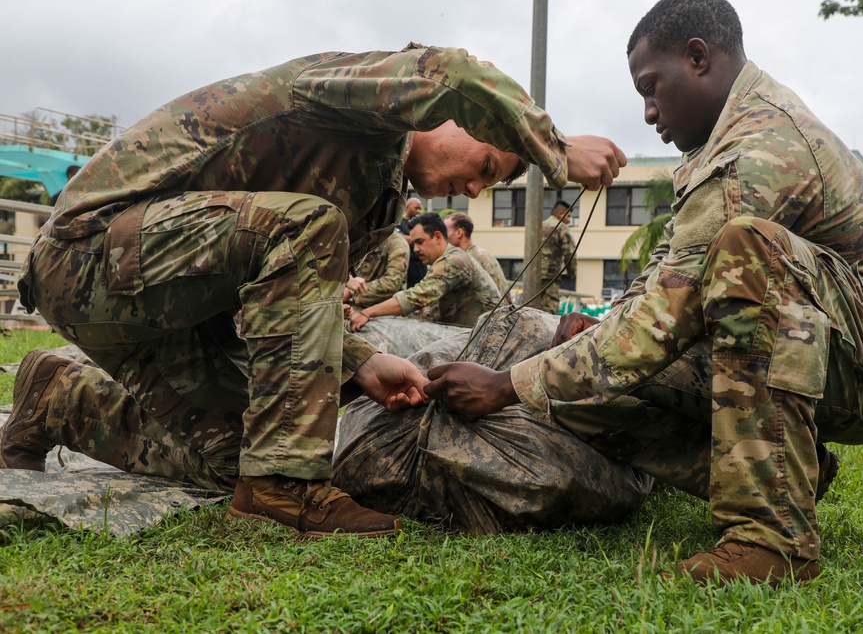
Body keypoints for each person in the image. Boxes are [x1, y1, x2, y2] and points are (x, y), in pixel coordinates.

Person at [0, 43, 627, 540]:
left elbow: (289, 302)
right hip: (86, 251)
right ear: (454, 118)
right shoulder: (362, 104)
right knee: (305, 229)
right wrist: (554, 147)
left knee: (236, 457)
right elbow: (453, 71)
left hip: (169, 300)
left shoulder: (377, 208)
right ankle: (283, 492)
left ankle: (61, 397)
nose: (471, 190)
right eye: (487, 167)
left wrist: (367, 363)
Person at [424, 0, 863, 585]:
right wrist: (584, 341)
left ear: (698, 56)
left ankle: (771, 539)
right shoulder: (711, 152)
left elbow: (658, 325)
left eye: (650, 87)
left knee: (748, 250)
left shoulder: (760, 148)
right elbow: (658, 289)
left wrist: (506, 385)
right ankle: (794, 471)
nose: (647, 112)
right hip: (819, 350)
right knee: (576, 384)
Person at [348, 212, 500, 330]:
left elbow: (416, 297)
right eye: (413, 244)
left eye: (420, 242)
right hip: (470, 334)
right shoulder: (440, 263)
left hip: (487, 339)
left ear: (438, 237)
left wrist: (368, 313)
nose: (416, 250)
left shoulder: (455, 261)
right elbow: (428, 311)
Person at [444, 211, 512, 304]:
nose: (443, 237)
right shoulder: (479, 254)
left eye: (445, 231)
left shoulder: (472, 259)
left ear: (459, 233)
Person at [531, 200, 576, 314]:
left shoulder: (539, 226)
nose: (569, 220)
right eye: (568, 216)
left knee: (533, 308)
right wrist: (572, 272)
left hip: (532, 274)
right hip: (550, 274)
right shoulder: (562, 228)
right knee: (550, 309)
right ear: (561, 214)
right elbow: (570, 253)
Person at [345, 231, 410, 309]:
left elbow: (392, 283)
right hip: (354, 303)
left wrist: (351, 292)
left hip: (385, 308)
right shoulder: (361, 238)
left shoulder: (397, 245)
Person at [397, 197, 428, 288]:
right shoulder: (399, 222)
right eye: (416, 208)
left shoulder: (421, 223)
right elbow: (398, 238)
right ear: (407, 207)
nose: (418, 211)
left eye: (420, 208)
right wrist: (417, 239)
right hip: (407, 265)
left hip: (421, 265)